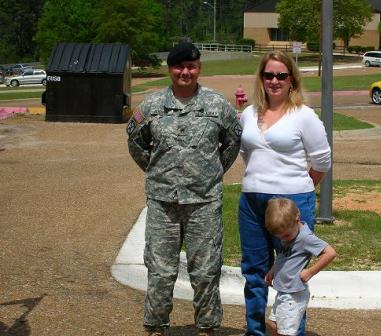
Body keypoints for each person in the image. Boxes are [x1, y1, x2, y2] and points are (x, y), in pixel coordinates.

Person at [127, 41, 242, 336]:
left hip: (204, 203)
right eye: (179, 66)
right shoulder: (151, 107)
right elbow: (136, 142)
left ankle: (207, 328)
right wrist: (158, 172)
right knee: (160, 271)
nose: (185, 72)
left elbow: (232, 143)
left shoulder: (217, 105)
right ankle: (155, 327)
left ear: (199, 68)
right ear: (170, 69)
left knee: (205, 271)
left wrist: (209, 173)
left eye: (191, 66)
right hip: (163, 203)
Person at [238, 50, 332, 336]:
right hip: (252, 202)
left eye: (281, 75)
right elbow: (247, 153)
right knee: (254, 273)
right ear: (261, 78)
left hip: (292, 203)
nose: (275, 81)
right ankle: (256, 331)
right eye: (269, 75)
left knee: (290, 278)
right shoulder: (248, 114)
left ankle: (292, 332)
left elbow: (322, 161)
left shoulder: (303, 115)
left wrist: (301, 189)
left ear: (292, 79)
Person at [264, 198, 336, 336]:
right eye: (278, 237)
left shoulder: (305, 238)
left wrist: (310, 271)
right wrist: (273, 270)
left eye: (285, 235)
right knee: (273, 325)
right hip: (284, 291)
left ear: (297, 219)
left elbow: (330, 253)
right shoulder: (291, 234)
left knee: (285, 331)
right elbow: (285, 256)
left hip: (293, 294)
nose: (283, 239)